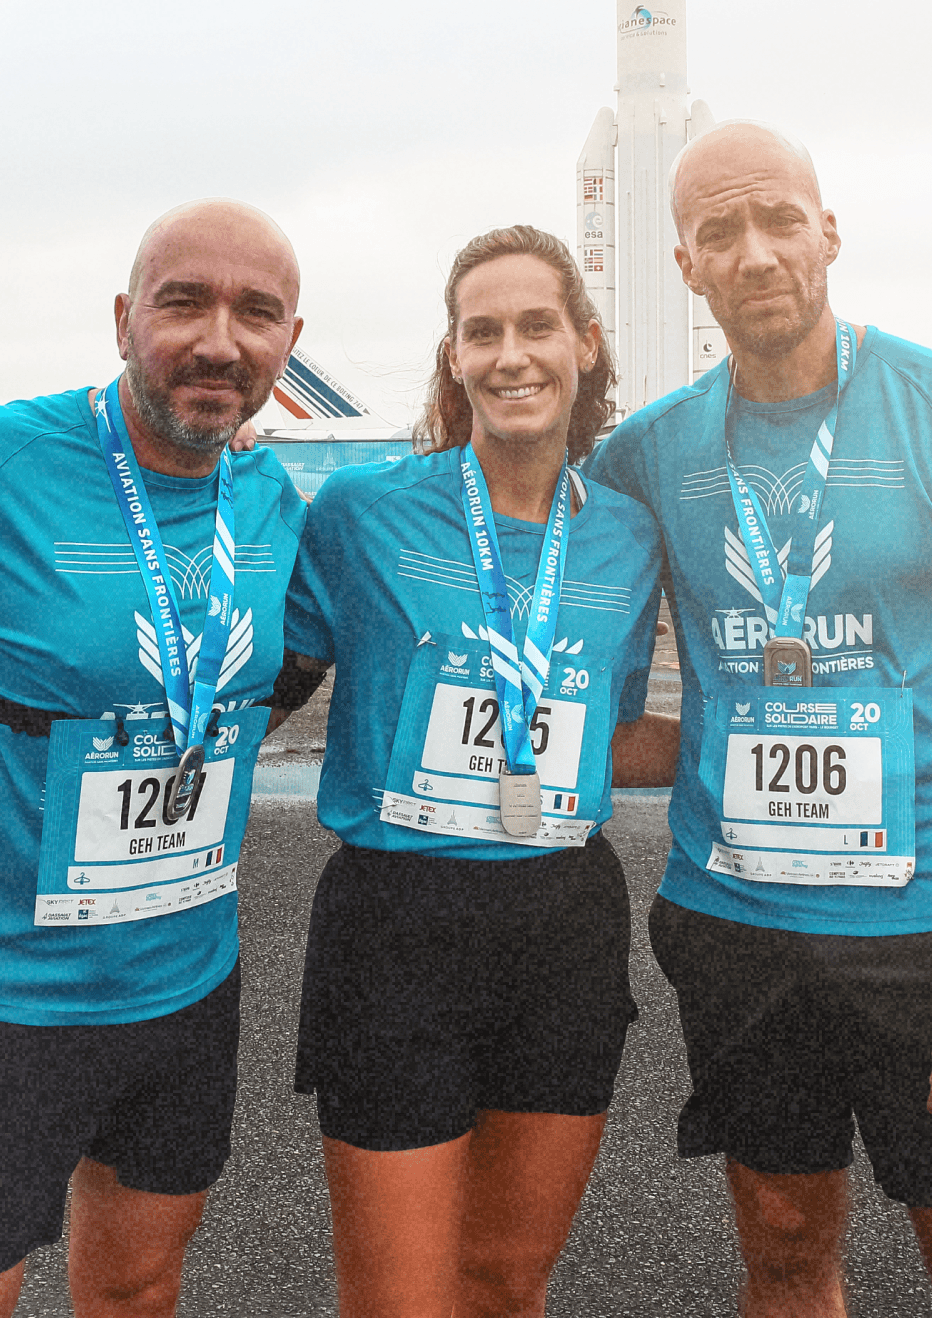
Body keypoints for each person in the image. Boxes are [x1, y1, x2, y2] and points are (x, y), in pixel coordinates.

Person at [587, 122, 932, 1317]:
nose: (755, 253)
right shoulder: (646, 456)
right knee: (784, 1245)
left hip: (929, 933)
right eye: (719, 232)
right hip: (735, 928)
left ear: (829, 233)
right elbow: (564, 632)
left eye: (780, 221)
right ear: (686, 264)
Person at [0, 199, 307, 1318]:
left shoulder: (268, 497)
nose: (220, 340)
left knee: (139, 1289)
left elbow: (295, 664)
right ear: (123, 319)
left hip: (187, 986)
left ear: (289, 341)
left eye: (256, 313)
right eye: (184, 304)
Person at [273, 225, 677, 1318]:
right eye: (481, 331)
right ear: (453, 356)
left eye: (536, 326)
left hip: (563, 921)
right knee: (400, 1300)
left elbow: (604, 730)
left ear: (585, 343)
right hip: (396, 921)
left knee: (505, 1283)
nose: (510, 355)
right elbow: (269, 683)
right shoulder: (362, 512)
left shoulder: (628, 537)